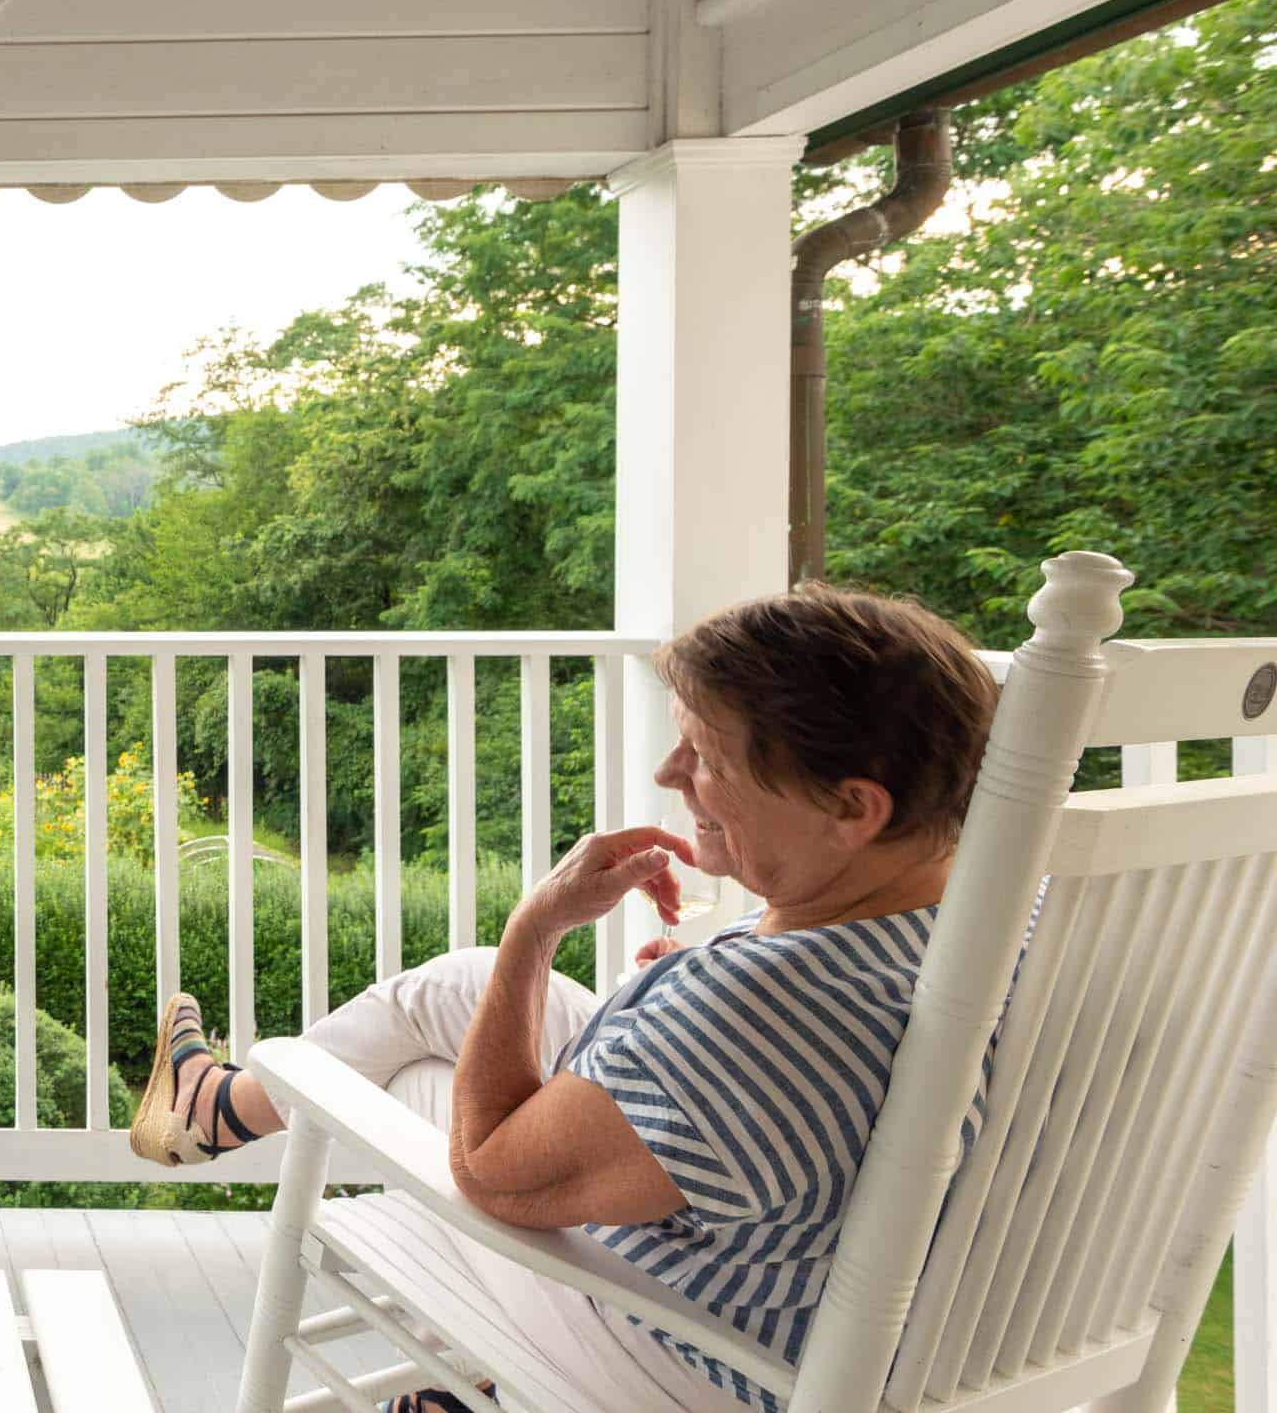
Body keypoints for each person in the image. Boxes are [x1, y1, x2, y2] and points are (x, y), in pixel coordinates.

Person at [130, 583, 999, 1412]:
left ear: (854, 808)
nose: (671, 772)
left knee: (399, 1085)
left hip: (702, 1360)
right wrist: (674, 1008)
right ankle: (219, 1109)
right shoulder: (1005, 917)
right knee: (460, 989)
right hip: (852, 1307)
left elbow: (491, 1174)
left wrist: (537, 928)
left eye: (709, 758)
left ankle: (485, 1378)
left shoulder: (764, 1012)